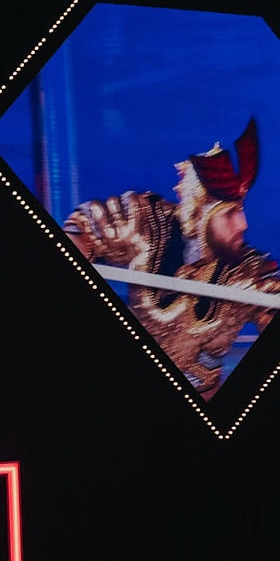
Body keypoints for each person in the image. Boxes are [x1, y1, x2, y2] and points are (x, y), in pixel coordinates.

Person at [62, 118, 280, 399]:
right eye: (230, 213)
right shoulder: (148, 224)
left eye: (241, 209)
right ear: (201, 215)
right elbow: (86, 225)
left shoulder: (248, 272)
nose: (244, 224)